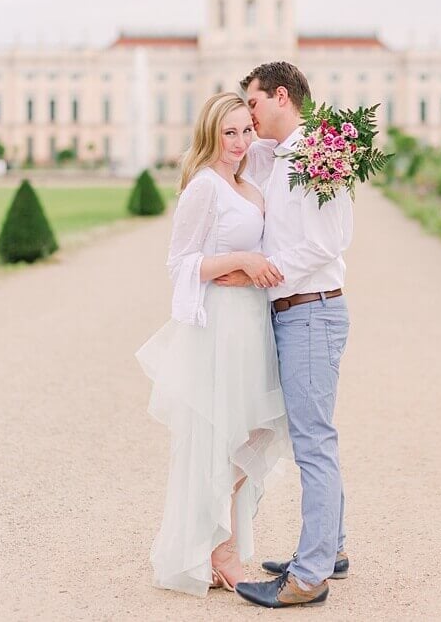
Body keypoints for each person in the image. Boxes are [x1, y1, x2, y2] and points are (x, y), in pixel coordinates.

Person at [136, 92, 290, 596]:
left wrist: (250, 269)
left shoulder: (249, 185)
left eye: (247, 130)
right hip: (220, 327)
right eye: (230, 133)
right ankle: (217, 550)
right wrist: (239, 260)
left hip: (252, 323)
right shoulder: (204, 186)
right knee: (218, 435)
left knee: (255, 432)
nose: (241, 142)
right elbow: (180, 263)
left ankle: (219, 541)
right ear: (210, 134)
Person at [219, 61, 353, 609]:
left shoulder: (317, 156)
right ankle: (331, 548)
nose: (248, 118)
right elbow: (228, 154)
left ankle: (310, 574)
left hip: (311, 310)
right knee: (314, 437)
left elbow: (328, 241)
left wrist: (261, 269)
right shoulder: (284, 156)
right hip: (299, 311)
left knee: (313, 443)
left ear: (279, 96)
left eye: (251, 105)